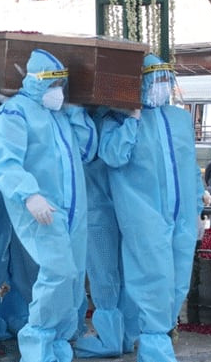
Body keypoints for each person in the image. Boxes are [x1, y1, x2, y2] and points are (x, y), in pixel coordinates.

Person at [0, 49, 97, 362]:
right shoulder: (14, 113)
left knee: (73, 279)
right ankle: (36, 345)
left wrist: (76, 111)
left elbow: (88, 151)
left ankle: (58, 347)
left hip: (73, 211)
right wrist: (29, 194)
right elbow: (5, 162)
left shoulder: (60, 116)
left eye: (60, 84)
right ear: (33, 82)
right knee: (58, 273)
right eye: (51, 84)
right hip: (40, 208)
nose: (57, 91)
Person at [98, 54, 205, 362]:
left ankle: (150, 334)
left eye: (164, 79)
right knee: (151, 279)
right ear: (140, 83)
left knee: (177, 281)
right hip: (144, 215)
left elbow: (190, 168)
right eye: (154, 80)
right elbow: (113, 156)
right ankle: (155, 346)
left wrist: (198, 210)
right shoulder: (116, 119)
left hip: (182, 216)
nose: (161, 86)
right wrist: (131, 118)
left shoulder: (180, 119)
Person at [75, 106, 135, 358]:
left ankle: (112, 338)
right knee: (121, 275)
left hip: (99, 212)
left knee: (106, 276)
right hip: (123, 212)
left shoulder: (89, 121)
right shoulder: (115, 121)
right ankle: (124, 336)